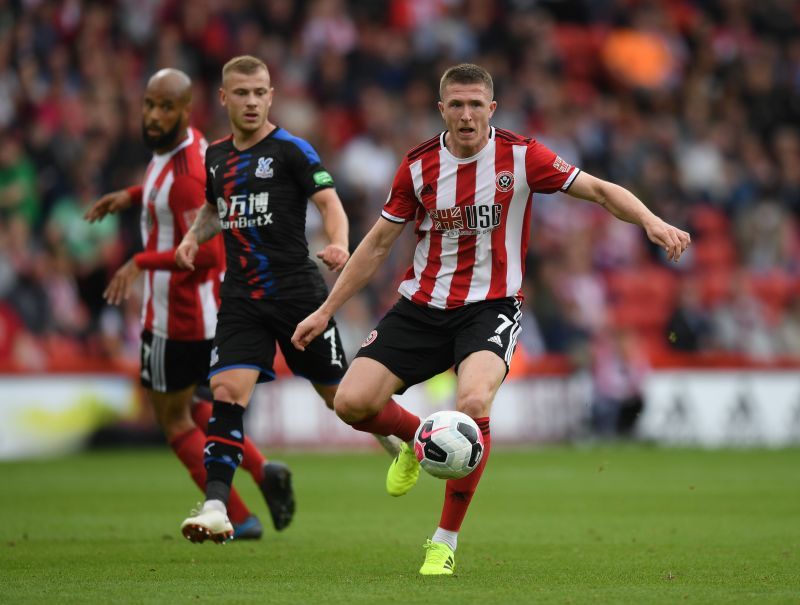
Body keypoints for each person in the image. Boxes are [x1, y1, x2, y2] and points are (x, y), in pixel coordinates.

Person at [291, 63, 692, 575]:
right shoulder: (417, 167)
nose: (465, 115)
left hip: (491, 306)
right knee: (351, 402)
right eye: (455, 105)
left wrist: (652, 222)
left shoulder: (523, 157)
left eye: (475, 104)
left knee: (474, 400)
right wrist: (326, 310)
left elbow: (598, 190)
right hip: (421, 306)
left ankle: (444, 541)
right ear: (441, 110)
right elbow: (376, 246)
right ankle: (419, 440)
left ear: (491, 110)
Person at [175, 55, 399, 544]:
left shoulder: (292, 150)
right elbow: (215, 208)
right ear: (224, 98)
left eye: (260, 93)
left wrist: (339, 241)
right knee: (227, 394)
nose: (251, 102)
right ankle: (216, 504)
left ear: (271, 96)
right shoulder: (215, 156)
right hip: (241, 298)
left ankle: (398, 437)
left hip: (298, 294)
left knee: (341, 401)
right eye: (242, 93)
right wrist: (194, 237)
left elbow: (329, 203)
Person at [84, 68, 290, 541]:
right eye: (149, 105)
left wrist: (140, 261)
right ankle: (263, 471)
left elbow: (209, 251)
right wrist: (130, 197)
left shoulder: (185, 172)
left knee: (172, 419)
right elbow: (171, 194)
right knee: (200, 406)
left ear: (185, 110)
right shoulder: (191, 147)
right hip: (210, 314)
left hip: (175, 318)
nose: (154, 115)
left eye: (165, 108)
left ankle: (238, 515)